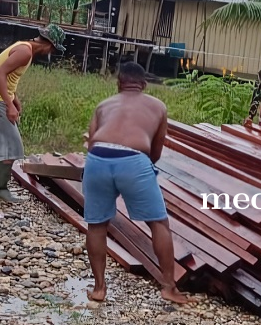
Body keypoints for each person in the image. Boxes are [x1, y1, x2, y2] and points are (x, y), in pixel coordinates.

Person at [83, 62, 193, 305]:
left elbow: (90, 143)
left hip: (98, 157)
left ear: (119, 83)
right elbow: (155, 151)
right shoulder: (157, 106)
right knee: (158, 223)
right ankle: (168, 287)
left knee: (97, 224)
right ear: (143, 84)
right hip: (133, 159)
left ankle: (99, 288)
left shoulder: (103, 105)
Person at [0, 24, 67, 202]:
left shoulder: (23, 47)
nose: (51, 52)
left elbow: (9, 77)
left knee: (6, 145)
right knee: (10, 146)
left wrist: (14, 99)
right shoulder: (25, 52)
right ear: (49, 45)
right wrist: (8, 105)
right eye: (53, 49)